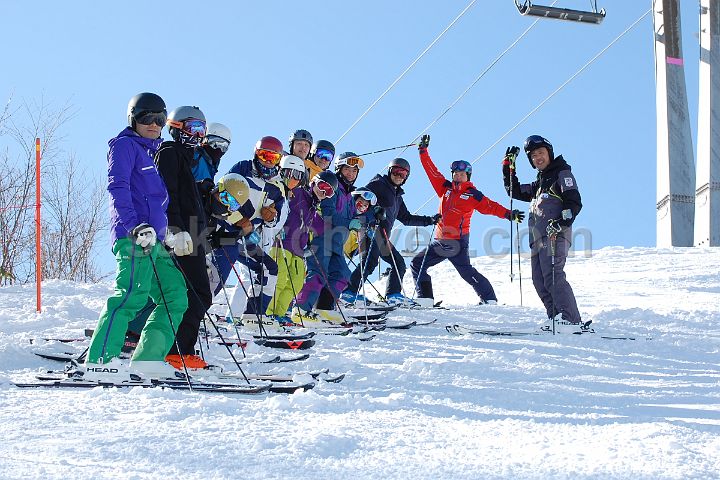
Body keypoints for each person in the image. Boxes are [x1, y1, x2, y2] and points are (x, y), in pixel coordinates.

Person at [84, 92, 187, 380]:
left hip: (154, 240)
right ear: (133, 119)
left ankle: (148, 359)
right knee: (131, 294)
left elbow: (153, 203)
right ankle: (100, 361)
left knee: (175, 295)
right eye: (146, 118)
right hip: (134, 237)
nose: (153, 124)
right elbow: (118, 187)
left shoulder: (150, 154)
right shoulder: (125, 146)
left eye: (159, 119)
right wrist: (133, 226)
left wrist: (169, 234)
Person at [411, 135, 524, 307]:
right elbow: (431, 171)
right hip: (442, 241)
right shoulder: (445, 188)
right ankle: (426, 299)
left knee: (463, 272)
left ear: (468, 176)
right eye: (455, 173)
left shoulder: (472, 195)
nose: (458, 176)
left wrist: (508, 214)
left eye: (462, 174)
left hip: (456, 241)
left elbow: (491, 206)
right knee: (420, 263)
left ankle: (488, 299)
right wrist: (423, 151)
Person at [503, 135, 583, 333]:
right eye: (533, 156)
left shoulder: (561, 173)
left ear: (549, 153)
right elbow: (514, 191)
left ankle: (571, 319)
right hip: (537, 239)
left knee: (553, 275)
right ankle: (556, 318)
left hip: (555, 233)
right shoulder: (539, 184)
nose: (537, 157)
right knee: (539, 280)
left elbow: (574, 201)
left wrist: (561, 222)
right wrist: (508, 167)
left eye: (541, 153)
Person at [154, 105, 212, 370]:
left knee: (195, 293)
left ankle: (178, 349)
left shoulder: (188, 160)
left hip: (193, 236)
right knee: (197, 293)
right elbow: (167, 193)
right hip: (181, 235)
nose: (197, 135)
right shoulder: (169, 151)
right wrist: (174, 228)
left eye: (201, 130)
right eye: (193, 128)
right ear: (176, 127)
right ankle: (177, 350)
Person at [342, 157, 438, 307]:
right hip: (369, 230)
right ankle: (349, 292)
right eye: (395, 171)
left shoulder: (397, 196)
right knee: (370, 262)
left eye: (403, 174)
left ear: (406, 177)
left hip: (382, 236)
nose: (398, 176)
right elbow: (360, 197)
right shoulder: (378, 184)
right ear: (389, 171)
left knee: (398, 263)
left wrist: (429, 220)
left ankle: (393, 295)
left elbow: (406, 218)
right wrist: (371, 214)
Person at [211, 136, 286, 326]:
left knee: (269, 268)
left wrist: (270, 217)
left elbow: (275, 218)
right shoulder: (243, 168)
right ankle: (194, 312)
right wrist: (238, 219)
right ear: (256, 154)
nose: (267, 161)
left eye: (273, 158)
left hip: (248, 237)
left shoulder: (277, 186)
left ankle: (254, 315)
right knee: (217, 274)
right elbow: (220, 194)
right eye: (264, 155)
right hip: (226, 230)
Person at [292, 153, 363, 324]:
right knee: (318, 273)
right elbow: (328, 214)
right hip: (321, 238)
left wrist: (367, 217)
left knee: (341, 274)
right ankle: (301, 309)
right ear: (339, 169)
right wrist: (350, 222)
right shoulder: (332, 187)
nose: (351, 174)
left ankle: (324, 308)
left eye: (354, 171)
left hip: (337, 243)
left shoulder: (349, 195)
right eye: (347, 169)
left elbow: (355, 216)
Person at [265, 156, 327, 325]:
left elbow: (322, 228)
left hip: (299, 250)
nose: (323, 192)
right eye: (321, 187)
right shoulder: (298, 193)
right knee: (279, 279)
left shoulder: (313, 206)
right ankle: (268, 312)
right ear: (312, 183)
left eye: (328, 192)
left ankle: (280, 312)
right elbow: (282, 206)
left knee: (296, 283)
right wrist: (277, 228)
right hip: (282, 244)